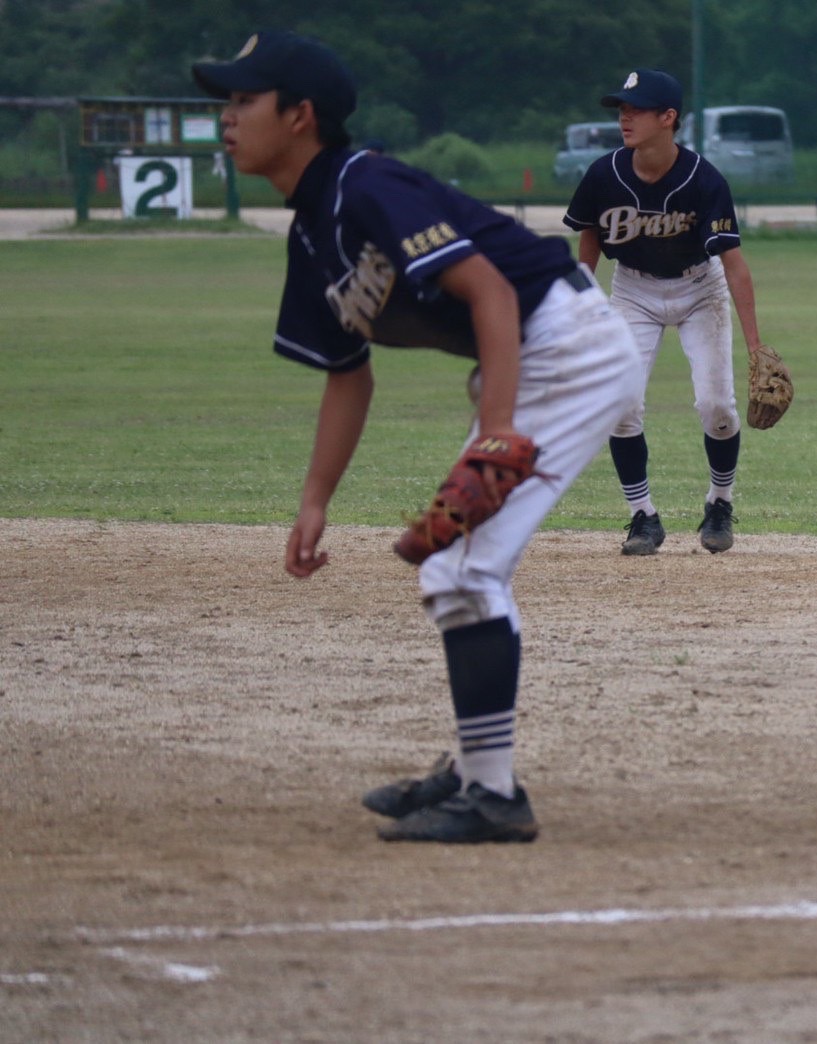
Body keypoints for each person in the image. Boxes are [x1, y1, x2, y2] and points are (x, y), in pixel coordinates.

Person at [192, 31, 641, 843]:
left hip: (565, 347)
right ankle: (478, 769)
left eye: (243, 101)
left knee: (462, 568)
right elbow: (347, 373)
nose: (227, 118)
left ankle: (494, 796)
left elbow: (492, 291)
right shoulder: (310, 235)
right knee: (459, 565)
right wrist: (313, 501)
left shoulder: (365, 183)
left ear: (299, 117)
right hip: (538, 355)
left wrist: (497, 433)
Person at [563, 69, 769, 556]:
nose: (625, 117)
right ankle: (643, 516)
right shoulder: (603, 174)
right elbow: (588, 243)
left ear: (668, 118)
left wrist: (757, 346)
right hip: (633, 291)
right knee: (621, 405)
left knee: (716, 406)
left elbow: (735, 267)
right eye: (622, 109)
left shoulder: (703, 180)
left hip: (701, 288)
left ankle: (720, 503)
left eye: (636, 109)